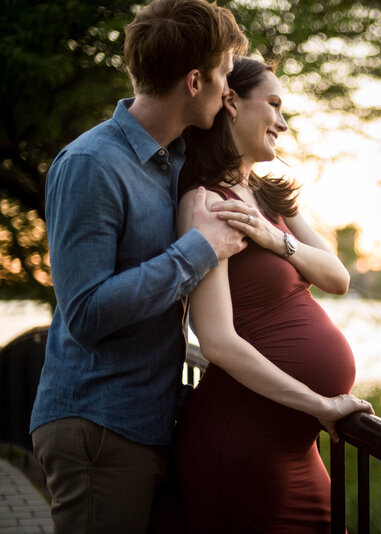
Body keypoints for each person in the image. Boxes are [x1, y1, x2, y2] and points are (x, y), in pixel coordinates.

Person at [29, 1, 250, 532]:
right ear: (194, 80)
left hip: (148, 422)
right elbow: (85, 312)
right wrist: (201, 248)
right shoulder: (92, 164)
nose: (229, 91)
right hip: (99, 427)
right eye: (223, 74)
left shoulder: (174, 159)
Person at [173, 57, 373, 533]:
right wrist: (320, 405)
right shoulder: (205, 202)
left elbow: (336, 275)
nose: (283, 122)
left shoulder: (268, 197)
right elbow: (217, 341)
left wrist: (273, 238)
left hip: (294, 443)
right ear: (231, 103)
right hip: (245, 442)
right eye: (274, 104)